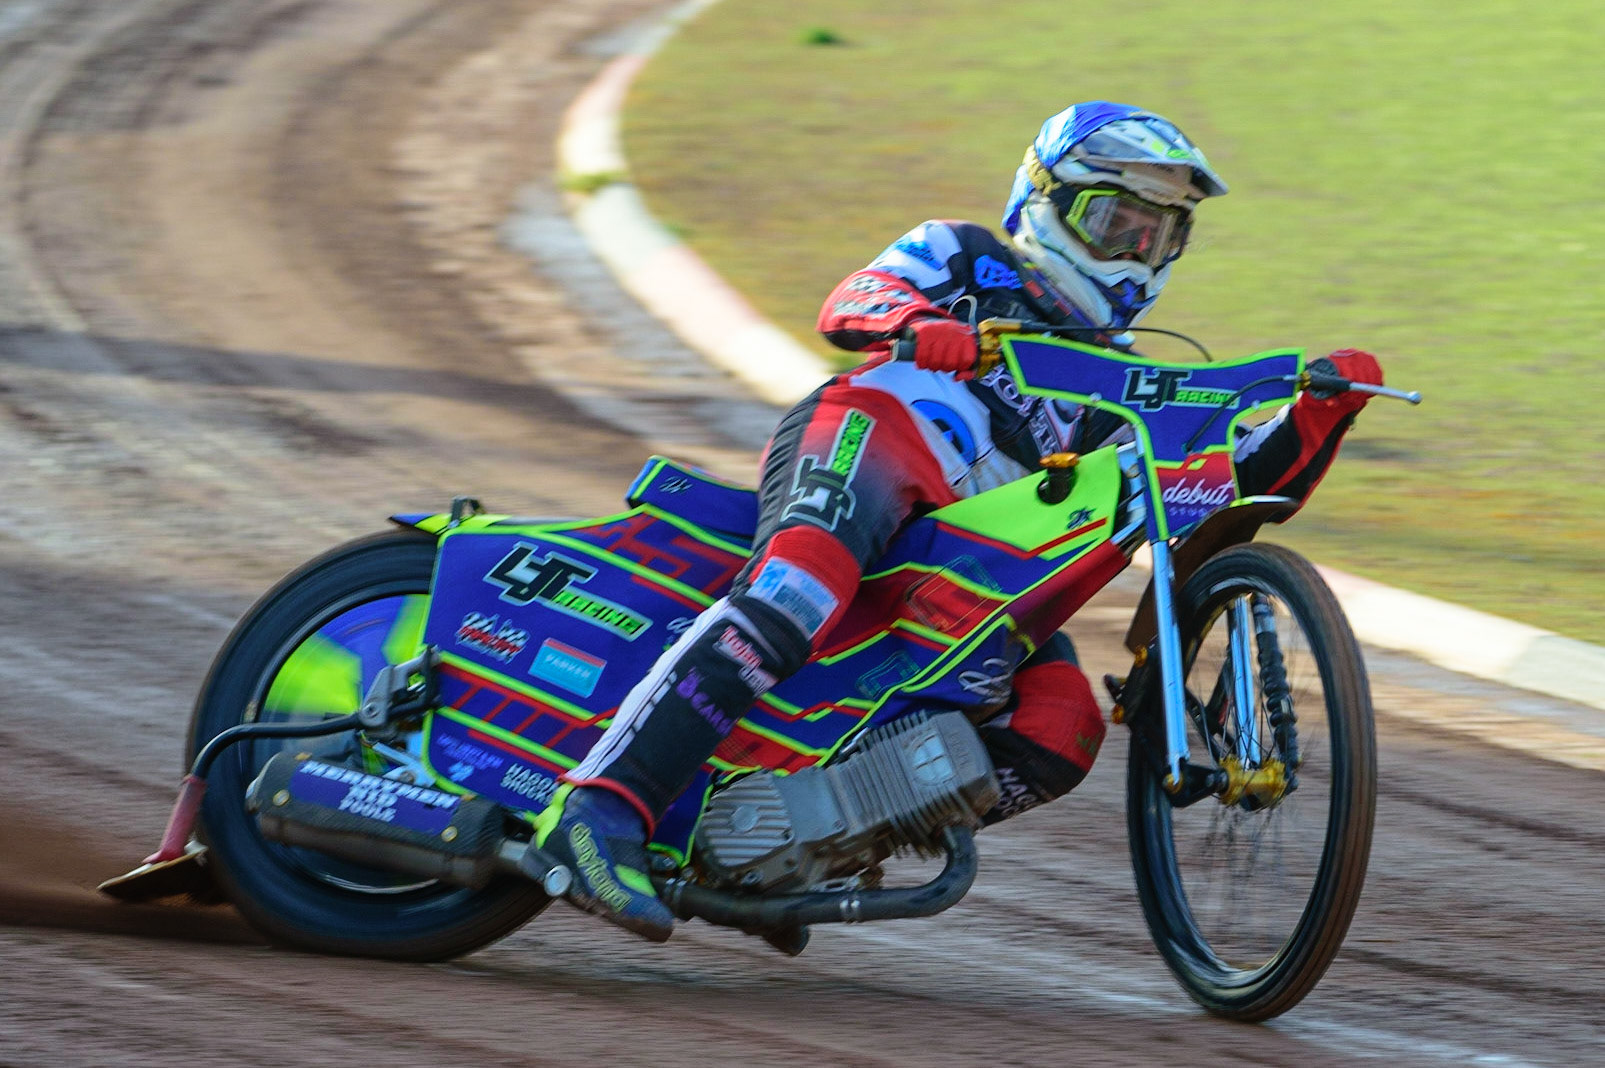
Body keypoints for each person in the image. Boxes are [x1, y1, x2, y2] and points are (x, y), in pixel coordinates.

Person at [534, 101, 1384, 941]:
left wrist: (1317, 416)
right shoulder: (965, 252)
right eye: (1113, 221)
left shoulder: (1120, 383)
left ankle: (784, 849)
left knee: (1063, 724)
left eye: (1157, 235)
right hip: (873, 436)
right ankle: (597, 806)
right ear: (1043, 201)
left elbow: (1218, 501)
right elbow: (852, 298)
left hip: (968, 567)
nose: (1133, 253)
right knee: (796, 592)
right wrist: (922, 324)